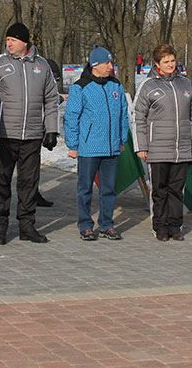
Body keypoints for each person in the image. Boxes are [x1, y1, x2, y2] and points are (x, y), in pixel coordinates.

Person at [0, 23, 60, 245]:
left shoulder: (42, 66)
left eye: (13, 40)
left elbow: (51, 98)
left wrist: (52, 129)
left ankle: (27, 226)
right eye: (7, 39)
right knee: (2, 183)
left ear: (25, 42)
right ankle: (0, 227)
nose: (8, 43)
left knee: (29, 183)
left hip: (32, 135)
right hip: (5, 135)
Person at [134, 44, 192, 241]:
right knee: (160, 191)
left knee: (176, 190)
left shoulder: (185, 85)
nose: (171, 65)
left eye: (173, 61)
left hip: (181, 148)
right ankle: (160, 227)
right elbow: (138, 117)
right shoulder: (148, 86)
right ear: (157, 64)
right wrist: (141, 146)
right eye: (166, 62)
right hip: (157, 149)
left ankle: (175, 225)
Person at [64, 45, 129, 241]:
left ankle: (107, 225)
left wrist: (121, 138)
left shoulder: (116, 86)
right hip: (88, 148)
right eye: (107, 63)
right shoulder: (80, 87)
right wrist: (73, 145)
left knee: (108, 189)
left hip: (111, 148)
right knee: (85, 189)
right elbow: (71, 117)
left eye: (111, 62)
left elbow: (123, 115)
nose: (111, 66)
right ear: (95, 65)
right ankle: (85, 225)